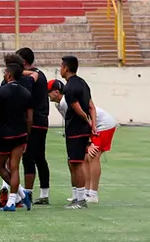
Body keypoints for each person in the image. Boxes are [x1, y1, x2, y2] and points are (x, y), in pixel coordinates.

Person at [49, 79, 116, 204]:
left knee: (93, 156)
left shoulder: (65, 102)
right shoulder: (59, 104)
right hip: (90, 125)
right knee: (83, 158)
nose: (47, 95)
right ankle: (85, 191)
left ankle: (93, 194)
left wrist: (88, 141)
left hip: (103, 124)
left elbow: (84, 118)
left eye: (49, 92)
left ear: (56, 92)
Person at [55, 55, 97, 209]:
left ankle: (80, 200)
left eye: (61, 66)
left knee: (76, 163)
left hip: (76, 129)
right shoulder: (83, 83)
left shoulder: (69, 87)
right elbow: (91, 106)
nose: (60, 69)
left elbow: (77, 108)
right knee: (73, 162)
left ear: (66, 68)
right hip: (82, 129)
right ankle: (77, 197)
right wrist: (93, 125)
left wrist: (87, 120)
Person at [0, 62, 33, 212]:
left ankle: (19, 195)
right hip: (20, 135)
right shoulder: (26, 93)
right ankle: (13, 201)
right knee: (14, 168)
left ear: (9, 75)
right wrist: (26, 137)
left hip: (4, 135)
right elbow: (30, 119)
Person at [16, 48, 51, 205]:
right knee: (39, 157)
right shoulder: (39, 74)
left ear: (23, 62)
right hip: (42, 120)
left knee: (29, 156)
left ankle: (28, 194)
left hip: (34, 121)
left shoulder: (33, 76)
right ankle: (44, 193)